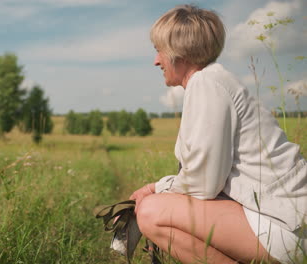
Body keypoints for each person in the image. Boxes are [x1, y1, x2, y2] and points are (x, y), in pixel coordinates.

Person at [130, 4, 306, 264]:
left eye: (159, 51)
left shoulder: (206, 83)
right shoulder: (214, 81)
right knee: (157, 205)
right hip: (282, 218)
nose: (156, 60)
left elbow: (203, 185)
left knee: (150, 211)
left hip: (284, 224)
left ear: (179, 53)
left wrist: (157, 190)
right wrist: (156, 186)